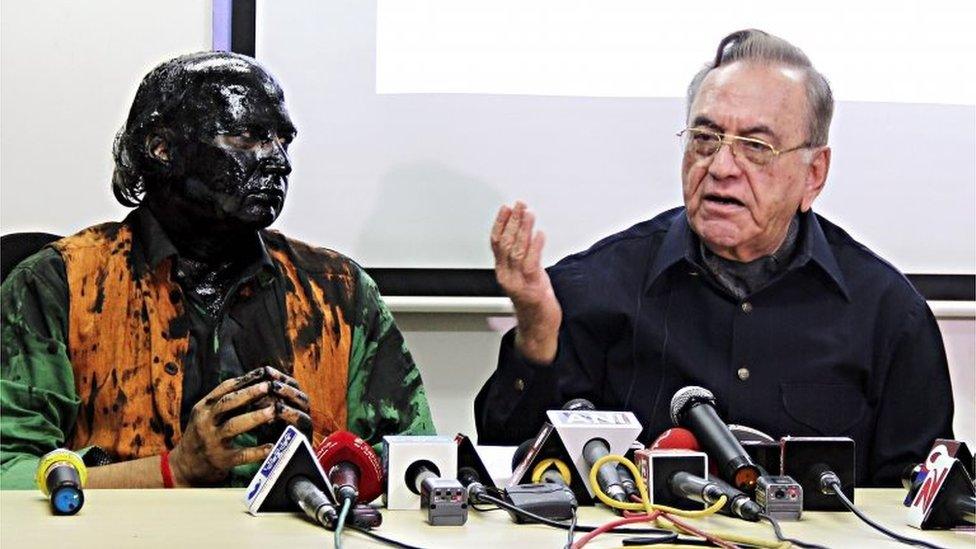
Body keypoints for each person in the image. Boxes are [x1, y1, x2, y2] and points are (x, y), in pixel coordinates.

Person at [474, 29, 953, 486]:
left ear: (814, 174)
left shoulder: (888, 316)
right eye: (705, 138)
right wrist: (537, 330)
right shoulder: (593, 289)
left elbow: (916, 505)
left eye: (755, 147)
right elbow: (508, 458)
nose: (721, 167)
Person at [1, 51, 433, 489]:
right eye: (247, 137)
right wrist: (174, 470)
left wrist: (322, 463)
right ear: (161, 147)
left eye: (283, 139)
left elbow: (413, 463)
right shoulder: (60, 285)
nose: (279, 161)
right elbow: (8, 471)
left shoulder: (338, 292)